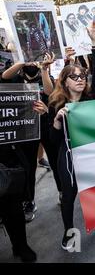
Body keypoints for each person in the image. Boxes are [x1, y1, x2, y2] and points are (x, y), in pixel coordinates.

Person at [48, 21, 95, 250]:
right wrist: (57, 120)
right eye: (74, 77)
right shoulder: (57, 104)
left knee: (94, 191)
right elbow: (52, 142)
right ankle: (68, 232)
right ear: (64, 81)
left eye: (81, 76)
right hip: (67, 158)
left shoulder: (90, 100)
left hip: (89, 155)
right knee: (69, 196)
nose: (80, 79)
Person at [1, 52, 60, 222]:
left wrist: (44, 70)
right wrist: (23, 60)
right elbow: (4, 77)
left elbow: (49, 93)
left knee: (56, 161)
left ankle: (62, 192)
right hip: (26, 130)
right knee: (28, 167)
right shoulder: (16, 77)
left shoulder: (44, 74)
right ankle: (29, 200)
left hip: (46, 126)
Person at [0, 100, 47, 262]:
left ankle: (20, 246)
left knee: (14, 209)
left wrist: (39, 115)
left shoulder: (7, 94)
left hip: (8, 162)